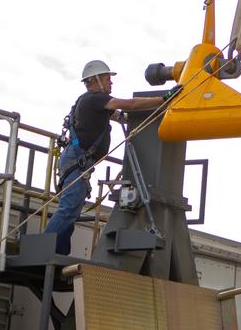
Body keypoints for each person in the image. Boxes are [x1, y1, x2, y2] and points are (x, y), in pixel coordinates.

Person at [43, 61, 167, 255]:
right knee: (68, 209)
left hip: (76, 161)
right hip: (77, 162)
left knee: (71, 210)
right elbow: (131, 104)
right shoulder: (95, 99)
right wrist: (164, 98)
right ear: (97, 81)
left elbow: (122, 115)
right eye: (108, 79)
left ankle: (57, 252)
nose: (111, 83)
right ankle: (43, 250)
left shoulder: (91, 103)